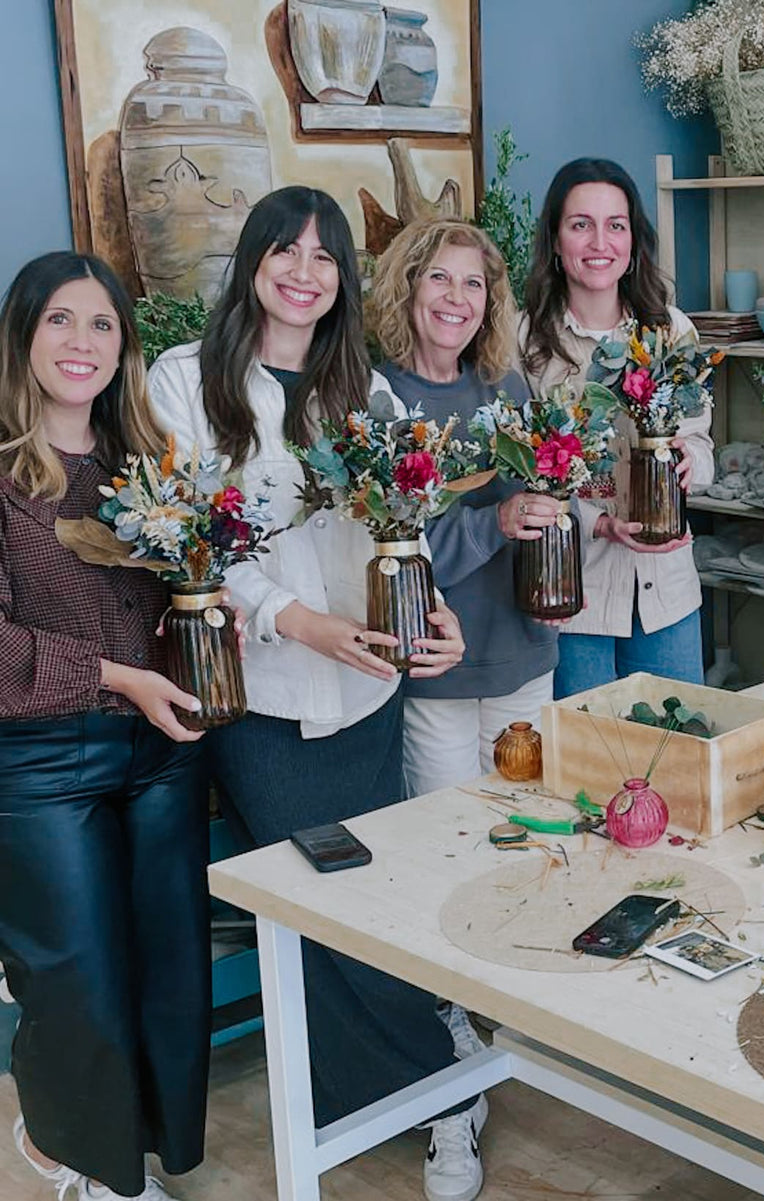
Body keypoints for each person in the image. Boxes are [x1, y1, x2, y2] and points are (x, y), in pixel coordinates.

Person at [147, 187, 486, 1201]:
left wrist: (439, 618)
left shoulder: (366, 395)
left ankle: (404, 1085)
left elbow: (405, 528)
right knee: (323, 901)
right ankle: (449, 1086)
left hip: (369, 693)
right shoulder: (183, 383)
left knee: (368, 899)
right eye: (285, 250)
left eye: (325, 256)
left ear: (343, 278)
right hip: (263, 701)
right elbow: (191, 550)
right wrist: (300, 621)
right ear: (253, 260)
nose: (304, 270)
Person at [1, 251, 207, 1200]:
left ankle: (140, 1150)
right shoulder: (4, 474)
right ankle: (71, 1157)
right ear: (24, 334)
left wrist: (201, 616)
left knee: (166, 966)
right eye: (60, 320)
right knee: (75, 977)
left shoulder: (147, 465)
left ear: (124, 347)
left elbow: (166, 600)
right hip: (40, 764)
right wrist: (119, 674)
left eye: (102, 325)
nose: (82, 343)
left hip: (158, 751)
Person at [369, 217, 559, 795]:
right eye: (438, 278)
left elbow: (541, 506)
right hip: (435, 671)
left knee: (527, 828)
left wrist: (556, 565)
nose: (457, 298)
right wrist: (497, 521)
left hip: (523, 657)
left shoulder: (509, 388)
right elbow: (391, 552)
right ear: (406, 288)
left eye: (473, 284)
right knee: (446, 840)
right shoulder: (376, 399)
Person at [518, 158, 713, 697]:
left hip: (667, 592)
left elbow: (701, 442)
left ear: (633, 241)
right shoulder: (525, 341)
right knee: (590, 765)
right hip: (572, 596)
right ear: (556, 240)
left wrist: (689, 463)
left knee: (677, 751)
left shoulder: (672, 329)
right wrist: (597, 522)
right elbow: (515, 477)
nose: (599, 241)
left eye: (616, 225)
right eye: (580, 224)